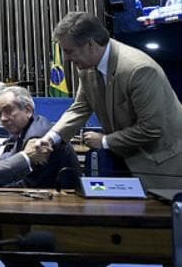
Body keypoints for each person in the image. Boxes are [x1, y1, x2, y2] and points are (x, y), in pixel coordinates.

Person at [39, 11, 182, 189]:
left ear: (90, 45)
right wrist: (50, 139)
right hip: (124, 160)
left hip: (162, 167)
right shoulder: (86, 67)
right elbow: (80, 108)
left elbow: (152, 128)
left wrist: (105, 141)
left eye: (69, 51)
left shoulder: (139, 70)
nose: (66, 58)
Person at [0, 86, 79, 188]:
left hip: (62, 196)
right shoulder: (29, 125)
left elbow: (27, 184)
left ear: (28, 110)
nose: (3, 118)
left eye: (8, 110)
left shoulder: (37, 140)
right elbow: (12, 143)